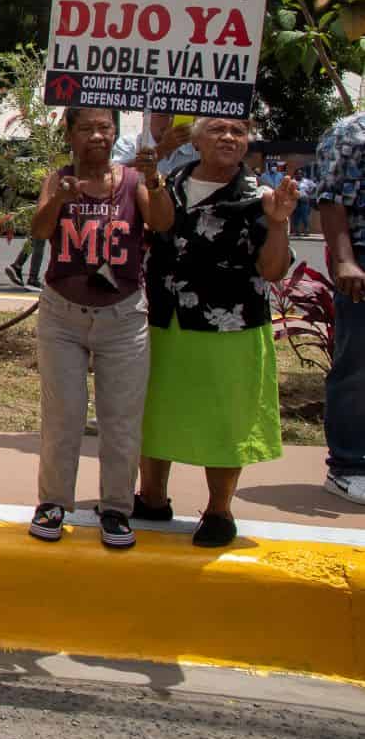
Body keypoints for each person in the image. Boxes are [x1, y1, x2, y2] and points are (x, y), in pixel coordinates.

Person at [136, 118, 296, 547]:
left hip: (231, 325)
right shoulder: (170, 182)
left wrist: (279, 223)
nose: (228, 137)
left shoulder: (260, 197)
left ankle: (219, 510)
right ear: (196, 139)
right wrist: (151, 170)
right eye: (217, 129)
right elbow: (155, 225)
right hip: (165, 317)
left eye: (238, 132)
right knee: (155, 410)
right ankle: (151, 497)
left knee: (225, 418)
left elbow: (273, 271)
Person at [27, 106, 173, 548]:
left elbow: (162, 222)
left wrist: (154, 178)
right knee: (63, 415)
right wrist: (59, 199)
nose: (97, 136)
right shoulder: (58, 179)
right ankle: (53, 503)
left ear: (115, 133)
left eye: (105, 127)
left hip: (122, 317)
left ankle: (115, 508)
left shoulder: (132, 181)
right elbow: (39, 230)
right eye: (87, 128)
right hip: (62, 317)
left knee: (121, 420)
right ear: (70, 133)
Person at [314, 111, 365, 506]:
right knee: (357, 366)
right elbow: (330, 199)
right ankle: (347, 467)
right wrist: (345, 260)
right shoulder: (351, 131)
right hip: (362, 259)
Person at [111, 112, 196, 177]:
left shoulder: (195, 148)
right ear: (146, 115)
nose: (170, 121)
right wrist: (163, 148)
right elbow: (115, 175)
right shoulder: (129, 143)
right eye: (163, 115)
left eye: (175, 115)